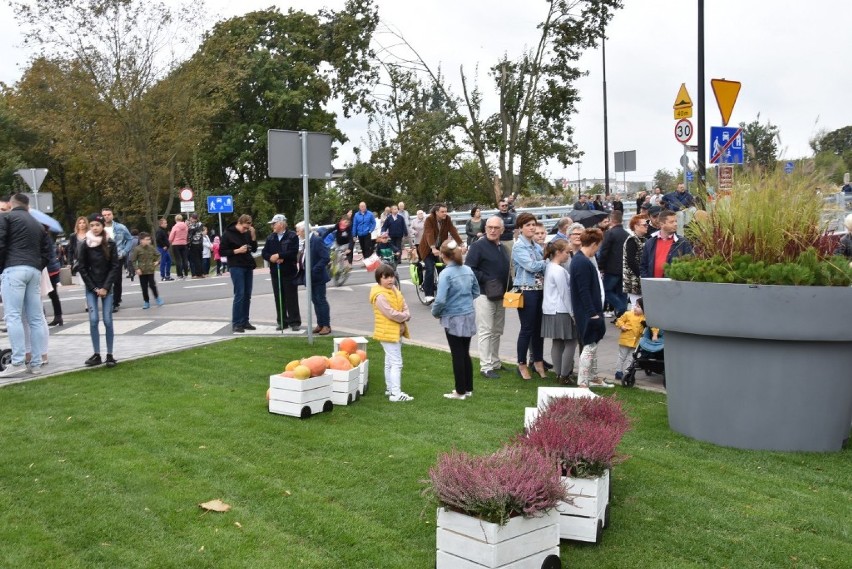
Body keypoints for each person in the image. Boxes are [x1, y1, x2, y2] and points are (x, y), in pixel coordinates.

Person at [0, 194, 53, 377]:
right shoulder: (37, 224)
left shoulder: (6, 218)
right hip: (34, 270)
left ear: (11, 204)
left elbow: (1, 243)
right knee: (36, 318)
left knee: (13, 316)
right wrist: (37, 266)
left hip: (13, 268)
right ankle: (36, 362)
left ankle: (17, 361)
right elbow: (47, 251)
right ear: (27, 205)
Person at [431, 239, 479, 400]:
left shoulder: (446, 273)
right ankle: (468, 388)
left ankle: (460, 391)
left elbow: (440, 300)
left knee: (457, 354)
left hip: (453, 316)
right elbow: (476, 291)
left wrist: (435, 312)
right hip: (468, 313)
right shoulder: (467, 269)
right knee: (465, 352)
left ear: (443, 255)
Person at [465, 216, 510, 379]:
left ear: (502, 230)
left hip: (500, 295)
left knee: (497, 330)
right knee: (486, 330)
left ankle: (495, 361)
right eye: (489, 227)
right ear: (485, 229)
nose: (492, 230)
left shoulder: (502, 248)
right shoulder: (478, 247)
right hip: (484, 294)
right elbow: (469, 269)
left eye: (496, 228)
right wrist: (487, 279)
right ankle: (486, 366)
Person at [569, 228, 613, 389]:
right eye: (599, 245)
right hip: (588, 313)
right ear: (594, 244)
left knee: (592, 345)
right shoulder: (581, 262)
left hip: (590, 311)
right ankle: (583, 383)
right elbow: (583, 290)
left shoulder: (582, 260)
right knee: (589, 346)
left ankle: (591, 378)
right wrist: (592, 313)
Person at [77, 213, 122, 368]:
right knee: (94, 319)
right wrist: (94, 288)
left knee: (108, 320)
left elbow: (115, 267)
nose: (95, 228)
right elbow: (82, 268)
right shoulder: (85, 244)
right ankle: (96, 354)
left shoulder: (110, 243)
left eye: (98, 225)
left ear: (103, 226)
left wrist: (105, 287)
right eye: (92, 225)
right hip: (92, 287)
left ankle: (110, 355)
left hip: (106, 286)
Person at [511, 212, 547, 381]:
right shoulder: (519, 246)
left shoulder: (535, 245)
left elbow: (543, 261)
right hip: (526, 291)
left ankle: (538, 361)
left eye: (533, 224)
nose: (532, 227)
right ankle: (521, 363)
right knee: (527, 329)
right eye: (528, 225)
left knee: (539, 329)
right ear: (521, 228)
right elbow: (532, 266)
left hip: (540, 290)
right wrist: (547, 262)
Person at [369, 263, 413, 402]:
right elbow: (390, 313)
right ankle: (396, 393)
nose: (390, 280)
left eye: (391, 277)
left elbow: (403, 304)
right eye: (386, 277)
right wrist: (405, 316)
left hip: (395, 332)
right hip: (387, 333)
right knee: (396, 363)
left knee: (390, 362)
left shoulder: (394, 289)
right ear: (379, 279)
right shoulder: (379, 295)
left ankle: (390, 389)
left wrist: (405, 313)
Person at [542, 239, 577, 385]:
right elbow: (565, 293)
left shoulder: (550, 266)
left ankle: (558, 373)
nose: (569, 255)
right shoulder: (559, 270)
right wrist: (573, 313)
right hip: (561, 310)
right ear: (558, 252)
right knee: (571, 342)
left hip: (550, 309)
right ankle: (564, 375)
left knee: (557, 342)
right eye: (567, 252)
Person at [261, 214, 301, 332]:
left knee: (291, 297)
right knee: (279, 297)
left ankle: (294, 321)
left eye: (274, 224)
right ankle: (282, 321)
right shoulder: (271, 238)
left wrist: (280, 255)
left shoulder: (292, 236)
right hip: (275, 271)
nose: (272, 226)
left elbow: (293, 252)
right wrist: (271, 258)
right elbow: (264, 252)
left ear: (281, 224)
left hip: (289, 271)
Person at [417, 203, 463, 303]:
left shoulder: (447, 219)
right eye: (442, 212)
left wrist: (461, 244)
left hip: (440, 248)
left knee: (443, 269)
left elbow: (453, 231)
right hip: (427, 249)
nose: (445, 213)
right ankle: (428, 294)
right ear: (436, 212)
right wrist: (433, 248)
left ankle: (444, 292)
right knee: (429, 268)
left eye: (446, 211)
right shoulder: (429, 220)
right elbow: (429, 234)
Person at [221, 214, 258, 333]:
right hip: (236, 266)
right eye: (244, 228)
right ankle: (236, 323)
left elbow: (254, 249)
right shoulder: (228, 234)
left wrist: (252, 236)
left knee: (247, 294)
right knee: (240, 294)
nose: (245, 230)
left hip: (247, 265)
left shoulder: (247, 233)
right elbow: (221, 251)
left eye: (248, 228)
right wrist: (237, 251)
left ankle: (245, 321)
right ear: (239, 223)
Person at [295, 221, 331, 335]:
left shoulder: (316, 240)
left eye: (298, 231)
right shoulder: (307, 241)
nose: (297, 233)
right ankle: (320, 324)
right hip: (310, 277)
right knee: (315, 301)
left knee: (320, 300)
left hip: (317, 277)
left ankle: (326, 325)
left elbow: (325, 257)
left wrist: (315, 270)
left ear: (304, 230)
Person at [640, 209, 694, 279]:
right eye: (671, 222)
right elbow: (643, 265)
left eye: (676, 221)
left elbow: (690, 264)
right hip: (653, 286)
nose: (675, 224)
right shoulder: (650, 242)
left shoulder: (683, 242)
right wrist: (648, 281)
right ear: (662, 224)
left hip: (674, 286)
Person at [598, 210, 629, 318]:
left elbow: (604, 251)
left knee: (607, 290)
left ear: (611, 220)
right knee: (622, 292)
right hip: (624, 269)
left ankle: (621, 308)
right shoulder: (627, 234)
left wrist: (600, 266)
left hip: (611, 269)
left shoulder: (609, 234)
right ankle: (623, 314)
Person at [101, 207, 132, 311]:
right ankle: (108, 300)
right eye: (104, 215)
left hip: (117, 257)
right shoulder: (100, 228)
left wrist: (124, 252)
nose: (106, 216)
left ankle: (116, 302)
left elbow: (129, 239)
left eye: (108, 214)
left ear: (112, 215)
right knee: (105, 280)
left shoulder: (121, 227)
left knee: (117, 280)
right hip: (104, 258)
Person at [614, 298, 646, 380]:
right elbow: (619, 320)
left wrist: (655, 334)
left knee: (631, 358)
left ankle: (627, 372)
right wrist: (622, 326)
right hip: (625, 340)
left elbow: (653, 327)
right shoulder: (628, 314)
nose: (635, 307)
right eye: (635, 305)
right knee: (622, 356)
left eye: (638, 307)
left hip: (636, 342)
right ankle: (618, 372)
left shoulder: (644, 318)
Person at [130, 232, 163, 309]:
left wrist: (158, 261)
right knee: (144, 287)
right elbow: (133, 260)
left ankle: (157, 298)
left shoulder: (151, 248)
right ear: (141, 240)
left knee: (152, 285)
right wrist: (137, 269)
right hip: (142, 271)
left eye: (149, 239)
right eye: (147, 239)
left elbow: (159, 255)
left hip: (150, 270)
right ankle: (146, 301)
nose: (149, 241)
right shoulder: (137, 249)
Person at [622, 213, 650, 307]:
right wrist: (641, 275)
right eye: (644, 225)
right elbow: (631, 261)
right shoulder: (632, 240)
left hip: (640, 280)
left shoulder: (644, 239)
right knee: (636, 307)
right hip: (633, 281)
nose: (647, 226)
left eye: (647, 224)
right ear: (636, 226)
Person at [169, 214, 189, 280]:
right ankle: (186, 273)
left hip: (176, 244)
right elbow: (187, 234)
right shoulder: (186, 226)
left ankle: (179, 275)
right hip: (184, 243)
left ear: (176, 219)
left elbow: (171, 236)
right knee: (185, 259)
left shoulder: (175, 226)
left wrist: (170, 241)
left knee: (178, 260)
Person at [187, 213, 205, 278]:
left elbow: (189, 234)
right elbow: (202, 232)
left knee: (194, 259)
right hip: (200, 243)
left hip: (193, 243)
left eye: (191, 218)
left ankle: (196, 274)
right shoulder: (200, 224)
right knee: (200, 258)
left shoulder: (190, 225)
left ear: (192, 218)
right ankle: (202, 273)